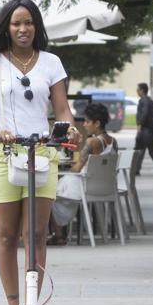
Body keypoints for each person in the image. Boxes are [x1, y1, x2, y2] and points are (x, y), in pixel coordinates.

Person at [0, 0, 80, 305]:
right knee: (6, 234)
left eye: (28, 23)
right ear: (7, 27)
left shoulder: (51, 62)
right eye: (16, 23)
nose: (22, 29)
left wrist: (69, 127)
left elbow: (62, 109)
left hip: (41, 153)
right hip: (3, 154)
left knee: (35, 234)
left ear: (37, 27)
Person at [48, 102, 118, 246]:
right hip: (104, 186)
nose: (84, 125)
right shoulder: (113, 141)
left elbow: (77, 168)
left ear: (97, 123)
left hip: (85, 186)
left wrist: (69, 167)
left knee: (48, 194)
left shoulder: (92, 141)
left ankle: (59, 234)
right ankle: (60, 232)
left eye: (87, 121)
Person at [135, 83, 153, 176]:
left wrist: (140, 124)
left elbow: (144, 113)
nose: (137, 91)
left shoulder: (144, 101)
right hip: (150, 130)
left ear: (142, 90)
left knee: (140, 150)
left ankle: (136, 169)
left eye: (138, 89)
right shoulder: (149, 100)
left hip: (146, 130)